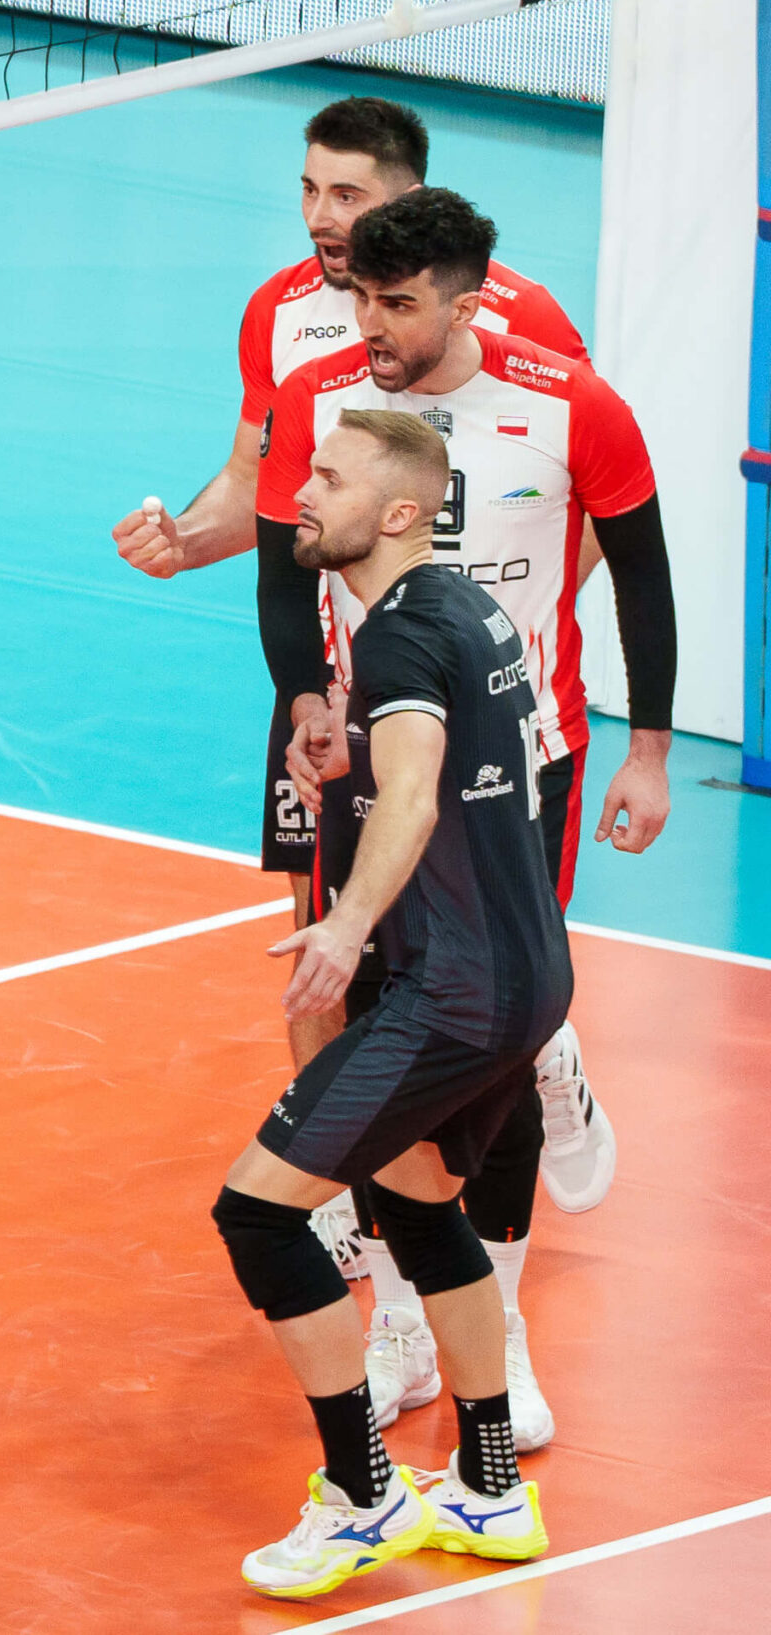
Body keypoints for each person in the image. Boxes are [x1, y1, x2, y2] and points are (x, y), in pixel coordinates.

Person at [257, 188, 674, 1453]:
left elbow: (642, 572)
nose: (370, 327)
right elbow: (282, 566)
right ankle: (398, 1318)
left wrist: (649, 752)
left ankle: (503, 1323)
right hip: (372, 770)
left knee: (486, 1057)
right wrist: (308, 700)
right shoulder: (321, 401)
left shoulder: (572, 406)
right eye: (360, 301)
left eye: (398, 304)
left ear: (467, 299)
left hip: (520, 773)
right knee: (384, 1043)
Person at [108, 97, 590, 1087]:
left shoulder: (521, 314)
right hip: (336, 678)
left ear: (408, 200)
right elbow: (256, 485)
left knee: (484, 940)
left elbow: (580, 489)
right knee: (323, 922)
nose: (321, 217)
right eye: (309, 190)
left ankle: (535, 1074)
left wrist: (494, 638)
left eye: (347, 195)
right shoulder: (278, 312)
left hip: (474, 692)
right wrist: (187, 541)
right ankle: (324, 1158)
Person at [220, 408, 564, 1599]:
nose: (301, 493)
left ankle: (363, 1497)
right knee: (417, 1206)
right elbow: (462, 771)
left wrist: (345, 922)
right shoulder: (464, 607)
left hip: (449, 991)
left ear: (401, 511)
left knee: (258, 1217)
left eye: (326, 478)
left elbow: (416, 800)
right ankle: (488, 1486)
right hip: (523, 976)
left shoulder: (404, 634)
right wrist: (348, 762)